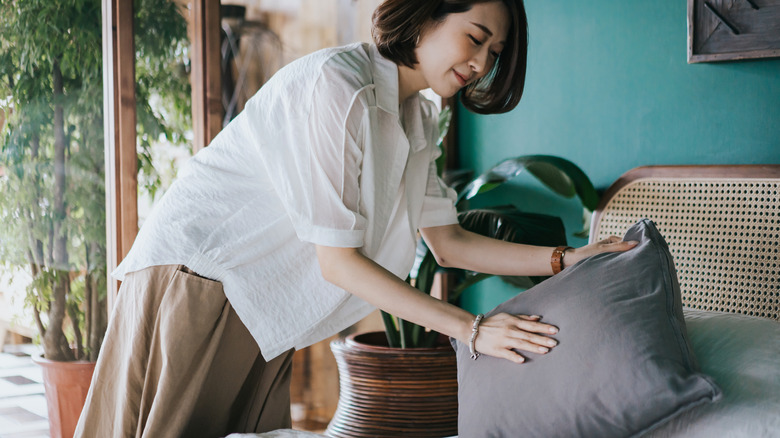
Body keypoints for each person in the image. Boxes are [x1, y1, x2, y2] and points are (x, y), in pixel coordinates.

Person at [76, 0, 637, 436]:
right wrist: (472, 329)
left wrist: (567, 258)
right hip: (199, 282)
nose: (482, 63)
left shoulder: (417, 114)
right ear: (423, 17)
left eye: (495, 52)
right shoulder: (340, 86)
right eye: (475, 38)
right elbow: (338, 263)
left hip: (260, 308)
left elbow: (446, 242)